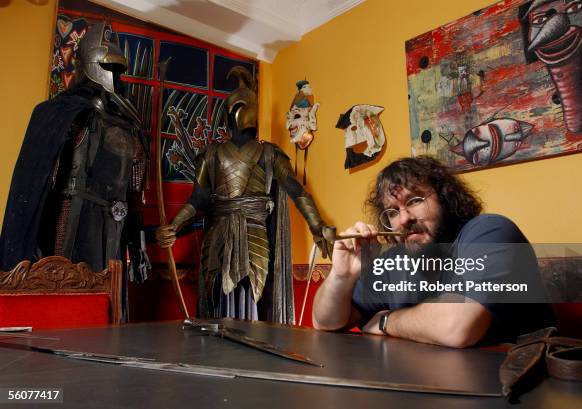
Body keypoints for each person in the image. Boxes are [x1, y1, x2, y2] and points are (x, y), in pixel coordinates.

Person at [312, 156, 555, 347]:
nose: (404, 219)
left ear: (445, 198)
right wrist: (340, 276)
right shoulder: (395, 261)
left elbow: (458, 328)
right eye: (392, 212)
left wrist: (387, 321)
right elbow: (326, 321)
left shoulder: (491, 232)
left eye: (415, 200)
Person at [156, 66, 333, 324]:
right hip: (219, 236)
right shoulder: (211, 154)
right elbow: (199, 200)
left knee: (254, 298)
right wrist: (173, 226)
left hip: (254, 234)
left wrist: (318, 225)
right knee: (218, 299)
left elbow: (296, 190)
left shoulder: (270, 154)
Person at [0, 23, 148, 284]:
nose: (114, 76)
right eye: (108, 67)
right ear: (89, 65)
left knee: (107, 303)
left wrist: (138, 246)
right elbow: (40, 182)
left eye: (118, 69)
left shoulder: (127, 125)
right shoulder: (62, 113)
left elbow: (134, 195)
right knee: (66, 296)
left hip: (113, 231)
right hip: (70, 222)